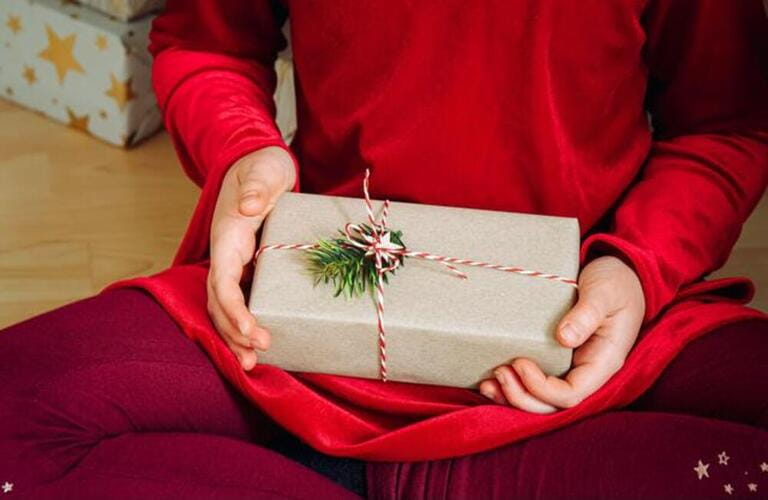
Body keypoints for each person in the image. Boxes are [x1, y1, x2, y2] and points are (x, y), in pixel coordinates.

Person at [1, 0, 767, 498]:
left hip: (598, 324)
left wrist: (637, 264)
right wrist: (244, 157)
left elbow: (727, 124)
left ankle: (384, 472)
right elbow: (205, 47)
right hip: (309, 316)